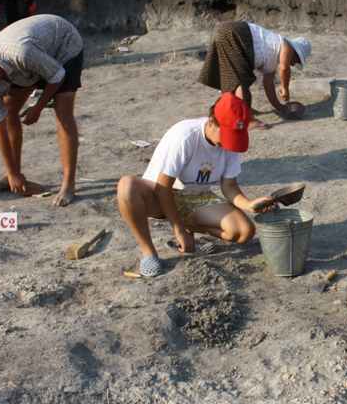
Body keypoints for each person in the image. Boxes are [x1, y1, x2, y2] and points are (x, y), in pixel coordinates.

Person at [116, 93, 278, 277]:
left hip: (194, 196)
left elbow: (229, 186)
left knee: (244, 231)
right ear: (212, 121)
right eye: (227, 136)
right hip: (159, 195)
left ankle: (191, 226)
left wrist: (249, 205)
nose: (228, 143)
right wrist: (178, 230)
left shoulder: (232, 143)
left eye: (234, 137)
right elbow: (163, 188)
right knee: (127, 186)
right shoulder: (185, 136)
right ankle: (149, 253)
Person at [0, 14, 83, 207]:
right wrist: (12, 173)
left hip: (63, 46)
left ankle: (68, 184)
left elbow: (57, 74)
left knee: (63, 114)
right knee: (10, 111)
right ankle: (15, 175)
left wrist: (38, 107)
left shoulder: (20, 53)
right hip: (31, 61)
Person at [198, 21, 311, 121]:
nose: (293, 64)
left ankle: (226, 112)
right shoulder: (286, 46)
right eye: (296, 60)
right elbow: (284, 68)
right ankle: (247, 119)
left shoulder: (273, 56)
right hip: (236, 33)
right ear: (295, 52)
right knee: (240, 81)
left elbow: (268, 85)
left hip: (224, 31)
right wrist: (285, 88)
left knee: (229, 80)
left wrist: (279, 107)